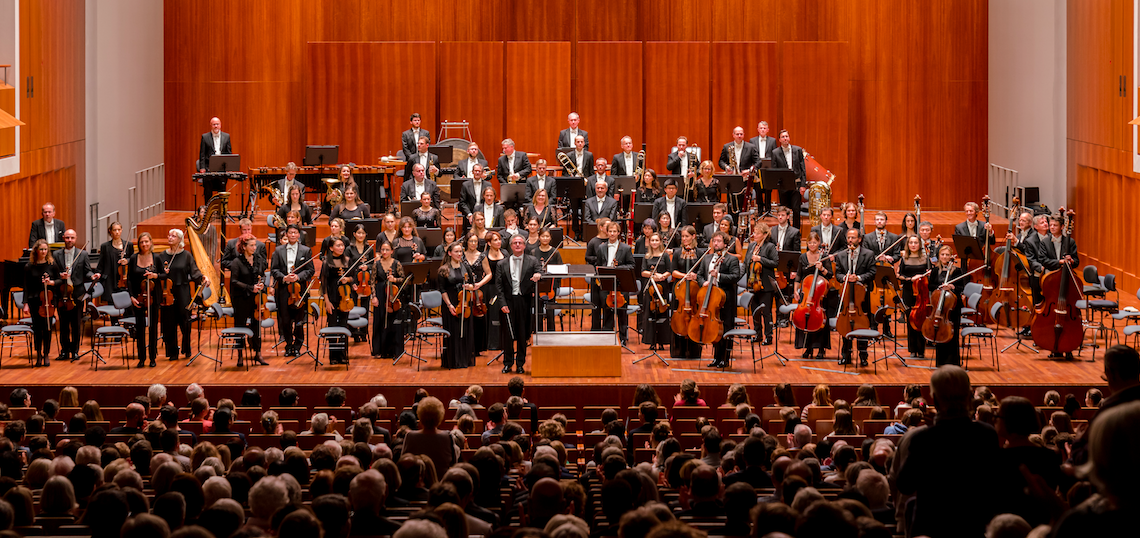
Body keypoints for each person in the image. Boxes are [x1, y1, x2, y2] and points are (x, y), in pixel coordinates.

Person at [897, 365, 1002, 538]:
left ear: (935, 399)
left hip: (933, 528)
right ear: (969, 397)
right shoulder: (986, 434)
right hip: (973, 527)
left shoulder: (923, 438)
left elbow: (905, 484)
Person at [693, 231, 741, 368]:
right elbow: (700, 275)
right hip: (710, 300)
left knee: (725, 329)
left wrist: (718, 276)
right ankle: (715, 358)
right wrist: (703, 282)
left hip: (725, 300)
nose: (716, 243)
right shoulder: (707, 258)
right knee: (714, 329)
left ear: (726, 244)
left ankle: (724, 359)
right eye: (714, 241)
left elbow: (735, 277)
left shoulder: (732, 259)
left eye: (719, 241)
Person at [157, 229, 206, 361]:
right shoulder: (162, 256)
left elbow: (194, 272)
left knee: (185, 321)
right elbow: (157, 274)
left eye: (173, 236)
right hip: (167, 293)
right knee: (169, 322)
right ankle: (172, 352)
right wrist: (163, 273)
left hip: (183, 291)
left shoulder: (186, 255)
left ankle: (186, 348)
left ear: (180, 240)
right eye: (169, 235)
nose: (170, 237)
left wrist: (202, 278)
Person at [496, 234, 542, 374]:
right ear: (511, 245)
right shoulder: (501, 264)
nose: (517, 245)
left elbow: (540, 273)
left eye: (520, 243)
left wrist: (539, 275)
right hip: (508, 302)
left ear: (524, 245)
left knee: (522, 334)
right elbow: (499, 286)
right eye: (515, 243)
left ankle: (520, 363)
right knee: (508, 335)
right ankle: (508, 363)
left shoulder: (532, 261)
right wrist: (502, 303)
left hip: (524, 301)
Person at [271, 225, 315, 358]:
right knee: (285, 320)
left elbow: (310, 270)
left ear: (299, 235)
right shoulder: (278, 250)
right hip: (284, 289)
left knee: (299, 320)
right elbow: (274, 269)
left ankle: (297, 346)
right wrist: (284, 277)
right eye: (290, 233)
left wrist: (298, 277)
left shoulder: (306, 250)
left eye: (295, 233)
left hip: (299, 290)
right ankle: (288, 345)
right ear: (287, 234)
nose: (293, 235)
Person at [834, 228, 875, 366]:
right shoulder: (841, 255)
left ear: (859, 239)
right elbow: (838, 274)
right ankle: (846, 355)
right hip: (846, 295)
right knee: (845, 324)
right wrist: (845, 277)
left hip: (861, 296)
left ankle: (863, 355)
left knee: (862, 325)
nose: (850, 240)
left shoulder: (869, 254)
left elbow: (872, 272)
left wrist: (858, 277)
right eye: (849, 237)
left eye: (853, 237)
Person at [51, 229, 93, 362]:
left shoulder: (83, 254)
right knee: (63, 324)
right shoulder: (56, 254)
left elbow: (87, 271)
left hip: (76, 294)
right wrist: (60, 276)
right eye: (67, 237)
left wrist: (92, 276)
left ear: (76, 239)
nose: (69, 240)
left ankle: (74, 351)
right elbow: (52, 273)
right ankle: (64, 351)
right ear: (63, 238)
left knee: (76, 324)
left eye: (72, 238)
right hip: (61, 293)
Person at [592, 221, 634, 345]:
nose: (612, 233)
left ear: (618, 233)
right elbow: (598, 265)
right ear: (607, 232)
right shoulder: (601, 247)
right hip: (606, 282)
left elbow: (631, 265)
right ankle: (607, 336)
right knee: (607, 309)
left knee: (622, 311)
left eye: (614, 231)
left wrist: (619, 267)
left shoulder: (626, 248)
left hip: (621, 283)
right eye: (610, 231)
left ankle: (622, 338)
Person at [229, 235, 269, 367]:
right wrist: (250, 288)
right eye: (251, 245)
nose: (254, 248)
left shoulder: (258, 259)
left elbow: (262, 274)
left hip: (256, 297)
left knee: (256, 325)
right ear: (244, 247)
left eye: (255, 245)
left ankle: (258, 353)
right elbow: (234, 281)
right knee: (240, 326)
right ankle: (240, 356)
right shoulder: (237, 262)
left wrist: (262, 284)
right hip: (241, 298)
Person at [793, 231, 834, 358]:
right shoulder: (802, 257)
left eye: (814, 242)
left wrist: (822, 268)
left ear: (819, 243)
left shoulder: (823, 256)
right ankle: (808, 347)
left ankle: (821, 349)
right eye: (809, 242)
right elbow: (799, 275)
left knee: (820, 321)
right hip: (806, 294)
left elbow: (830, 275)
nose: (812, 245)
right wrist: (796, 290)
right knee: (804, 319)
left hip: (819, 294)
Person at [128, 232, 165, 368]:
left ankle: (153, 357)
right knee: (140, 328)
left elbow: (164, 275)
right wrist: (131, 296)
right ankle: (141, 358)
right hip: (138, 298)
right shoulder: (133, 258)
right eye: (142, 242)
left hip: (153, 298)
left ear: (151, 243)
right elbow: (130, 279)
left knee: (153, 327)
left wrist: (155, 275)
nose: (144, 244)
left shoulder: (157, 258)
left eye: (146, 242)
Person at [863, 211, 902, 338]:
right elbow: (865, 254)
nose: (880, 222)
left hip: (886, 271)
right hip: (873, 272)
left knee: (888, 298)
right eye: (877, 220)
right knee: (872, 299)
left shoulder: (894, 238)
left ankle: (886, 328)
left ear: (886, 221)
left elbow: (897, 255)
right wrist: (875, 258)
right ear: (874, 222)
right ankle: (873, 326)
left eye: (882, 219)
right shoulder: (867, 238)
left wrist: (890, 258)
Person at [929, 244, 968, 366]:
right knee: (940, 333)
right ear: (939, 256)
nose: (945, 257)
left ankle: (952, 362)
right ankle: (940, 362)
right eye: (942, 254)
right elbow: (930, 286)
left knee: (952, 334)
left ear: (951, 256)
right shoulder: (935, 270)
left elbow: (962, 287)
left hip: (953, 307)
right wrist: (940, 287)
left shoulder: (957, 271)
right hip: (939, 307)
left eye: (947, 255)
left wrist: (952, 287)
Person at [439, 242, 475, 369]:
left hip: (464, 302)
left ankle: (465, 359)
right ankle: (454, 360)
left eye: (461, 251)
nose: (459, 254)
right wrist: (449, 305)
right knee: (453, 331)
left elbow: (472, 285)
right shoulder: (443, 269)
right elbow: (442, 290)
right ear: (449, 253)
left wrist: (469, 287)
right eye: (456, 251)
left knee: (465, 331)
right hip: (451, 303)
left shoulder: (466, 267)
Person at [670, 226, 705, 359]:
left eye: (687, 236)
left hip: (694, 291)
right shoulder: (677, 252)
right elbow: (673, 271)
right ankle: (678, 351)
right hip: (680, 289)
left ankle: (694, 350)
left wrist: (695, 276)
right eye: (683, 236)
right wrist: (685, 275)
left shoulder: (701, 253)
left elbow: (702, 272)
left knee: (695, 315)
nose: (684, 239)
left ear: (693, 236)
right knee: (678, 317)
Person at [320, 237, 356, 366]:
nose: (341, 248)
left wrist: (348, 280)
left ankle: (342, 355)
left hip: (345, 298)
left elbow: (353, 276)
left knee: (343, 326)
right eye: (338, 245)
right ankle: (333, 356)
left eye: (342, 245)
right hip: (332, 299)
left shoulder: (347, 260)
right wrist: (327, 301)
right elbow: (324, 284)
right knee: (333, 328)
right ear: (331, 248)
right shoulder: (326, 263)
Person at [23, 240, 59, 366]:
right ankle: (38, 355)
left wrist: (51, 283)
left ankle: (46, 354)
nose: (44, 252)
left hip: (48, 301)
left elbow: (59, 280)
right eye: (41, 249)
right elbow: (26, 286)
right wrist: (25, 303)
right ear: (36, 251)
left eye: (45, 249)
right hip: (34, 301)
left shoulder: (52, 264)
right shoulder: (29, 266)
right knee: (37, 329)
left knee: (47, 328)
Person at [370, 241, 408, 359]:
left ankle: (395, 350)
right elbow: (372, 282)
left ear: (392, 251)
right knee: (379, 322)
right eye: (382, 250)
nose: (384, 252)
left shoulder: (396, 263)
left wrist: (394, 280)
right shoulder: (376, 264)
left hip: (393, 295)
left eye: (387, 250)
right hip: (381, 294)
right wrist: (374, 296)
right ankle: (379, 350)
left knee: (394, 323)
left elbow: (404, 280)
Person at [744, 221, 779, 346]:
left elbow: (775, 262)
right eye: (754, 232)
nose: (754, 235)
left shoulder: (770, 247)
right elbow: (746, 263)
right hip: (753, 284)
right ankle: (757, 334)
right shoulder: (752, 246)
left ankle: (768, 336)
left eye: (757, 233)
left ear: (764, 235)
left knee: (766, 312)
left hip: (765, 285)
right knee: (755, 311)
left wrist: (760, 259)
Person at [898, 235, 932, 358]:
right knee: (910, 320)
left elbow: (930, 274)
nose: (913, 245)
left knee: (921, 321)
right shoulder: (904, 258)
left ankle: (921, 350)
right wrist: (910, 279)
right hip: (908, 291)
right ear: (908, 245)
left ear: (919, 244)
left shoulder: (925, 257)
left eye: (916, 243)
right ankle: (912, 349)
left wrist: (924, 276)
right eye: (911, 242)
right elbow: (899, 275)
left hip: (922, 293)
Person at [463, 232, 495, 356]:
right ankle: (466, 345)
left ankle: (477, 347)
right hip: (464, 290)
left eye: (475, 241)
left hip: (478, 291)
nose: (473, 243)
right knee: (465, 317)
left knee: (478, 318)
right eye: (471, 241)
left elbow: (489, 274)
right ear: (466, 242)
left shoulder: (482, 256)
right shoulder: (461, 255)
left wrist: (479, 284)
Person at [641, 232, 672, 352]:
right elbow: (643, 272)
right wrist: (653, 275)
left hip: (662, 287)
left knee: (662, 315)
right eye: (652, 240)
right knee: (650, 315)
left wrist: (662, 276)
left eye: (656, 240)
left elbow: (669, 270)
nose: (654, 242)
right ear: (649, 242)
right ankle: (651, 341)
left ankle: (662, 341)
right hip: (650, 288)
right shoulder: (647, 256)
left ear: (660, 242)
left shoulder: (664, 256)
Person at [770, 129, 807, 228]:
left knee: (796, 209)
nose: (785, 138)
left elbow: (803, 168)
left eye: (786, 136)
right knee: (784, 211)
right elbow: (774, 170)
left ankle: (796, 232)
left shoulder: (797, 150)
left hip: (796, 184)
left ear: (789, 138)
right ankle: (787, 230)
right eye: (783, 137)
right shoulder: (775, 152)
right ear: (779, 140)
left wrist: (803, 185)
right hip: (783, 186)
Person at [534, 227, 562, 332]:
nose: (545, 238)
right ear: (539, 237)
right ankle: (538, 331)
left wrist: (555, 286)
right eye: (543, 236)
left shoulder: (555, 252)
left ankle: (551, 331)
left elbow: (560, 270)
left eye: (547, 236)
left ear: (550, 238)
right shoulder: (534, 252)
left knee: (550, 311)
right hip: (538, 286)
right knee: (538, 311)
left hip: (551, 286)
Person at [197, 117, 232, 200]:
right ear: (211, 125)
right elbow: (202, 153)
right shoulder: (205, 137)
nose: (216, 126)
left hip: (222, 168)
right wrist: (202, 168)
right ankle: (208, 209)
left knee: (222, 191)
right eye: (214, 124)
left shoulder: (226, 136)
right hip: (209, 168)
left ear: (220, 125)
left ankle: (222, 210)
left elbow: (229, 153)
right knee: (208, 190)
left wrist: (229, 167)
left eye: (217, 124)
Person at [96, 221, 134, 296]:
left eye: (119, 230)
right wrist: (97, 274)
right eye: (114, 230)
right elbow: (101, 262)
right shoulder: (105, 246)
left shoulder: (128, 245)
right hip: (110, 278)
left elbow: (133, 259)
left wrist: (127, 261)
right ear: (110, 231)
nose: (117, 232)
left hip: (123, 278)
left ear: (121, 230)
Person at [749, 121, 778, 212]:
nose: (762, 130)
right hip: (757, 168)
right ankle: (760, 209)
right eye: (761, 128)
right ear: (758, 129)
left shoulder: (772, 141)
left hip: (768, 169)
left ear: (767, 130)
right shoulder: (752, 140)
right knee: (758, 189)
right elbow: (751, 155)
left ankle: (768, 210)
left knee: (768, 189)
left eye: (764, 128)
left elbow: (775, 154)